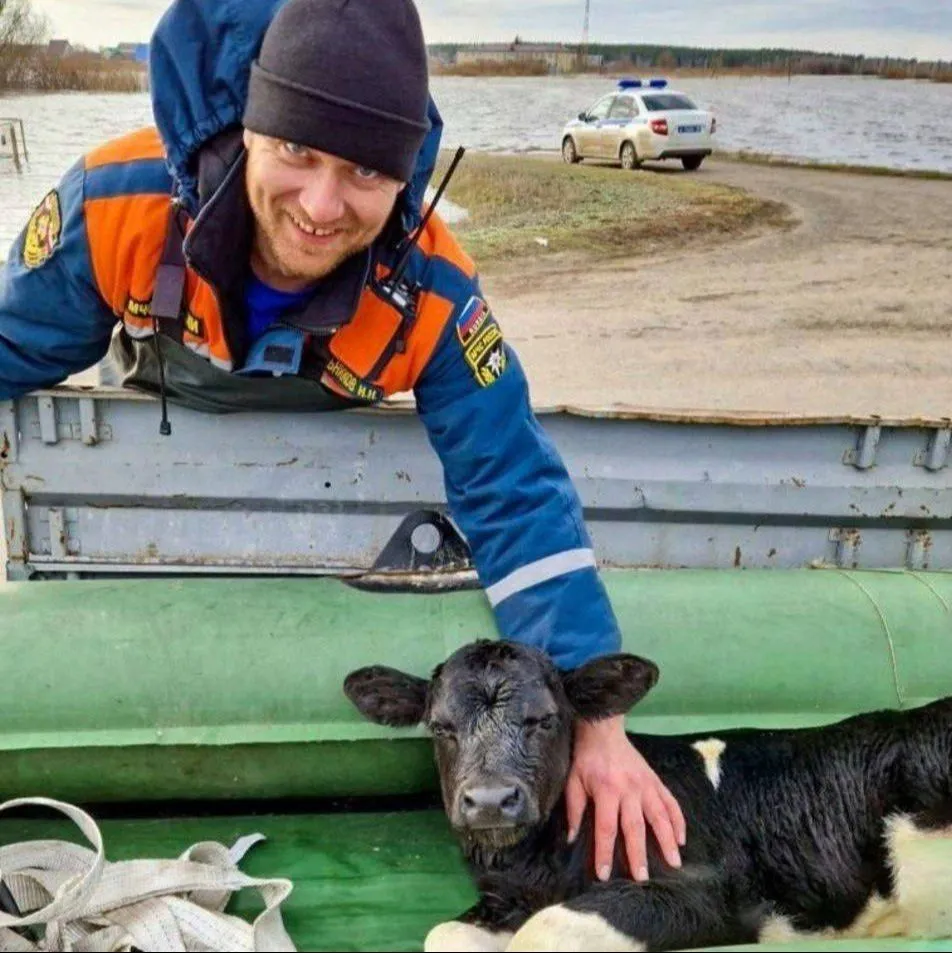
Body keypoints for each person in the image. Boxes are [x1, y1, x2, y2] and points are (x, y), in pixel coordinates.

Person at [0, 0, 684, 882]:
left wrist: (595, 718)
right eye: (296, 152)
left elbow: (509, 483)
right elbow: (11, 346)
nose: (322, 206)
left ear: (404, 177)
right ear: (251, 127)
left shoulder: (435, 287)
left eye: (364, 170)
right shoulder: (116, 203)